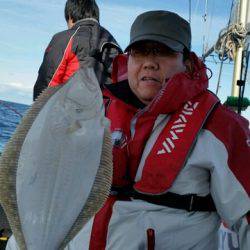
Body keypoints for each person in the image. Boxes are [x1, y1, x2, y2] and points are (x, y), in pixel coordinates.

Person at [7, 10, 250, 250]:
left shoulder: (221, 127)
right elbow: (40, 184)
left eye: (163, 52)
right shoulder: (93, 112)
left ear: (186, 62)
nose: (150, 63)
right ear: (128, 59)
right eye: (140, 52)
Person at [33, 0, 121, 101]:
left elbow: (47, 81)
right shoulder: (113, 44)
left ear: (70, 16)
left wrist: (37, 113)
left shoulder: (65, 38)